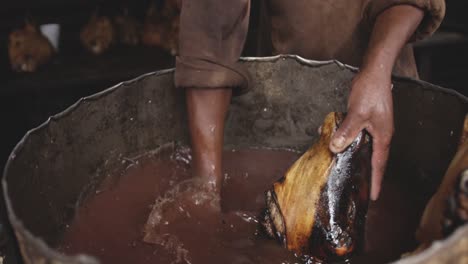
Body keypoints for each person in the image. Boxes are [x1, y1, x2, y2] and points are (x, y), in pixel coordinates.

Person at [174, 0, 445, 204]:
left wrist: (377, 69)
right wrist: (205, 184)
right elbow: (210, 35)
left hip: (381, 91)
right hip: (284, 105)